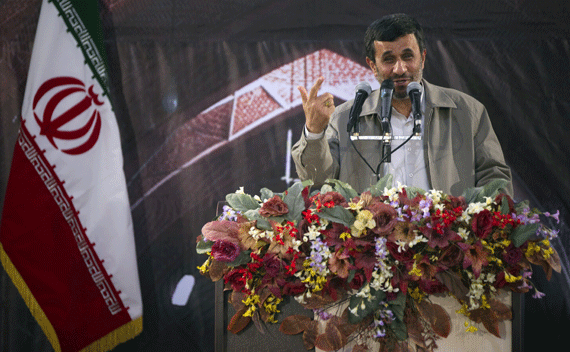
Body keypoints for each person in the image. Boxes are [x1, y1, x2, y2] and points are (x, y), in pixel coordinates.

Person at [291, 13, 513, 197]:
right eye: (388, 59)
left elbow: (495, 178)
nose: (400, 68)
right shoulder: (345, 118)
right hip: (370, 246)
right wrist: (314, 132)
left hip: (448, 244)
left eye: (408, 56)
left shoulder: (467, 111)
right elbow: (317, 182)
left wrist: (477, 227)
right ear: (372, 66)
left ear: (423, 57)